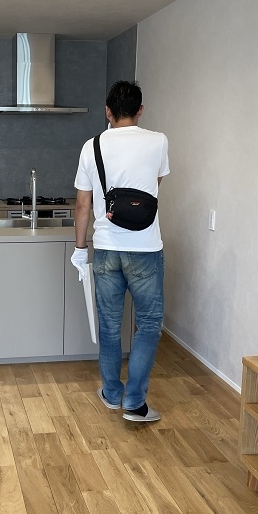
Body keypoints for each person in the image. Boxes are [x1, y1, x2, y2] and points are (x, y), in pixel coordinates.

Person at [71, 81, 169, 422]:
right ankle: (135, 403)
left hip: (107, 249)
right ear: (140, 110)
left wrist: (80, 249)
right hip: (145, 249)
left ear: (107, 111)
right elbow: (152, 189)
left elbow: (82, 205)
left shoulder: (92, 146)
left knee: (110, 326)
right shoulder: (158, 141)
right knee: (149, 325)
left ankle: (112, 394)